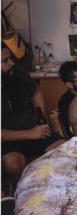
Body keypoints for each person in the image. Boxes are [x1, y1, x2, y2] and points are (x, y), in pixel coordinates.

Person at [1, 42, 63, 184]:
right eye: (4, 61)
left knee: (63, 149)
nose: (11, 63)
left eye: (10, 58)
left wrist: (41, 118)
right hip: (8, 140)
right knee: (14, 164)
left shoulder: (16, 74)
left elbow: (35, 91)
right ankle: (25, 192)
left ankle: (53, 187)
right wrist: (31, 133)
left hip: (33, 129)